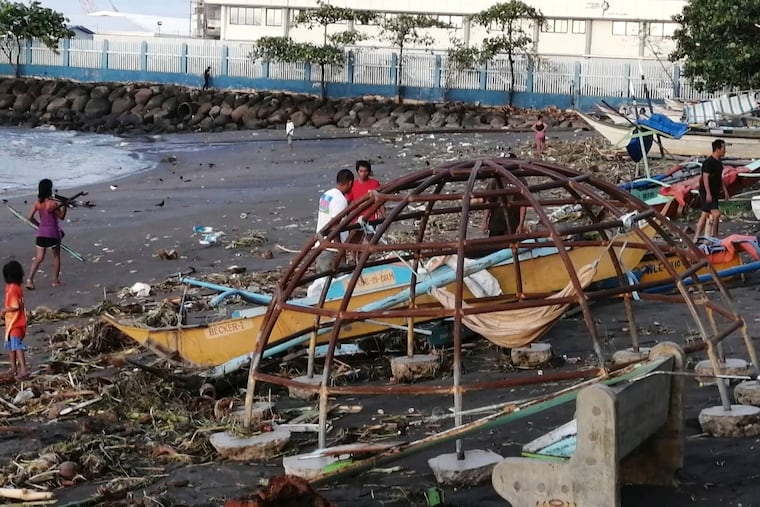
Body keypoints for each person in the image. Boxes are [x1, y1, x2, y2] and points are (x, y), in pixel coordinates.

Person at [26, 178, 67, 289]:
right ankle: (55, 281)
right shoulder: (52, 204)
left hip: (41, 234)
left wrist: (39, 225)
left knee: (39, 258)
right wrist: (65, 206)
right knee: (56, 257)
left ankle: (30, 279)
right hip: (53, 233)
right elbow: (62, 217)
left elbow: (29, 217)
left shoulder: (37, 203)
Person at [314, 169, 355, 274]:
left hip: (321, 244)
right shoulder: (340, 200)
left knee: (322, 278)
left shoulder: (326, 195)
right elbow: (334, 226)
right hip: (332, 249)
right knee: (335, 280)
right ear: (350, 183)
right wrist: (340, 250)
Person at [694, 139, 729, 241]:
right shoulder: (708, 162)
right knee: (716, 214)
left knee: (704, 214)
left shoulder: (719, 163)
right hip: (706, 192)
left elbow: (719, 177)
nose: (724, 151)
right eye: (723, 148)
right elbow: (705, 178)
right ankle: (715, 236)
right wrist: (708, 193)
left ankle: (696, 237)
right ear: (717, 149)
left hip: (714, 192)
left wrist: (725, 190)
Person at [2, 260, 29, 379]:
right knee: (11, 346)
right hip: (13, 323)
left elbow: (15, 306)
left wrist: (3, 310)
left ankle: (23, 369)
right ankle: (13, 368)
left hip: (16, 323)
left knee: (16, 346)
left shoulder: (12, 288)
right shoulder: (16, 287)